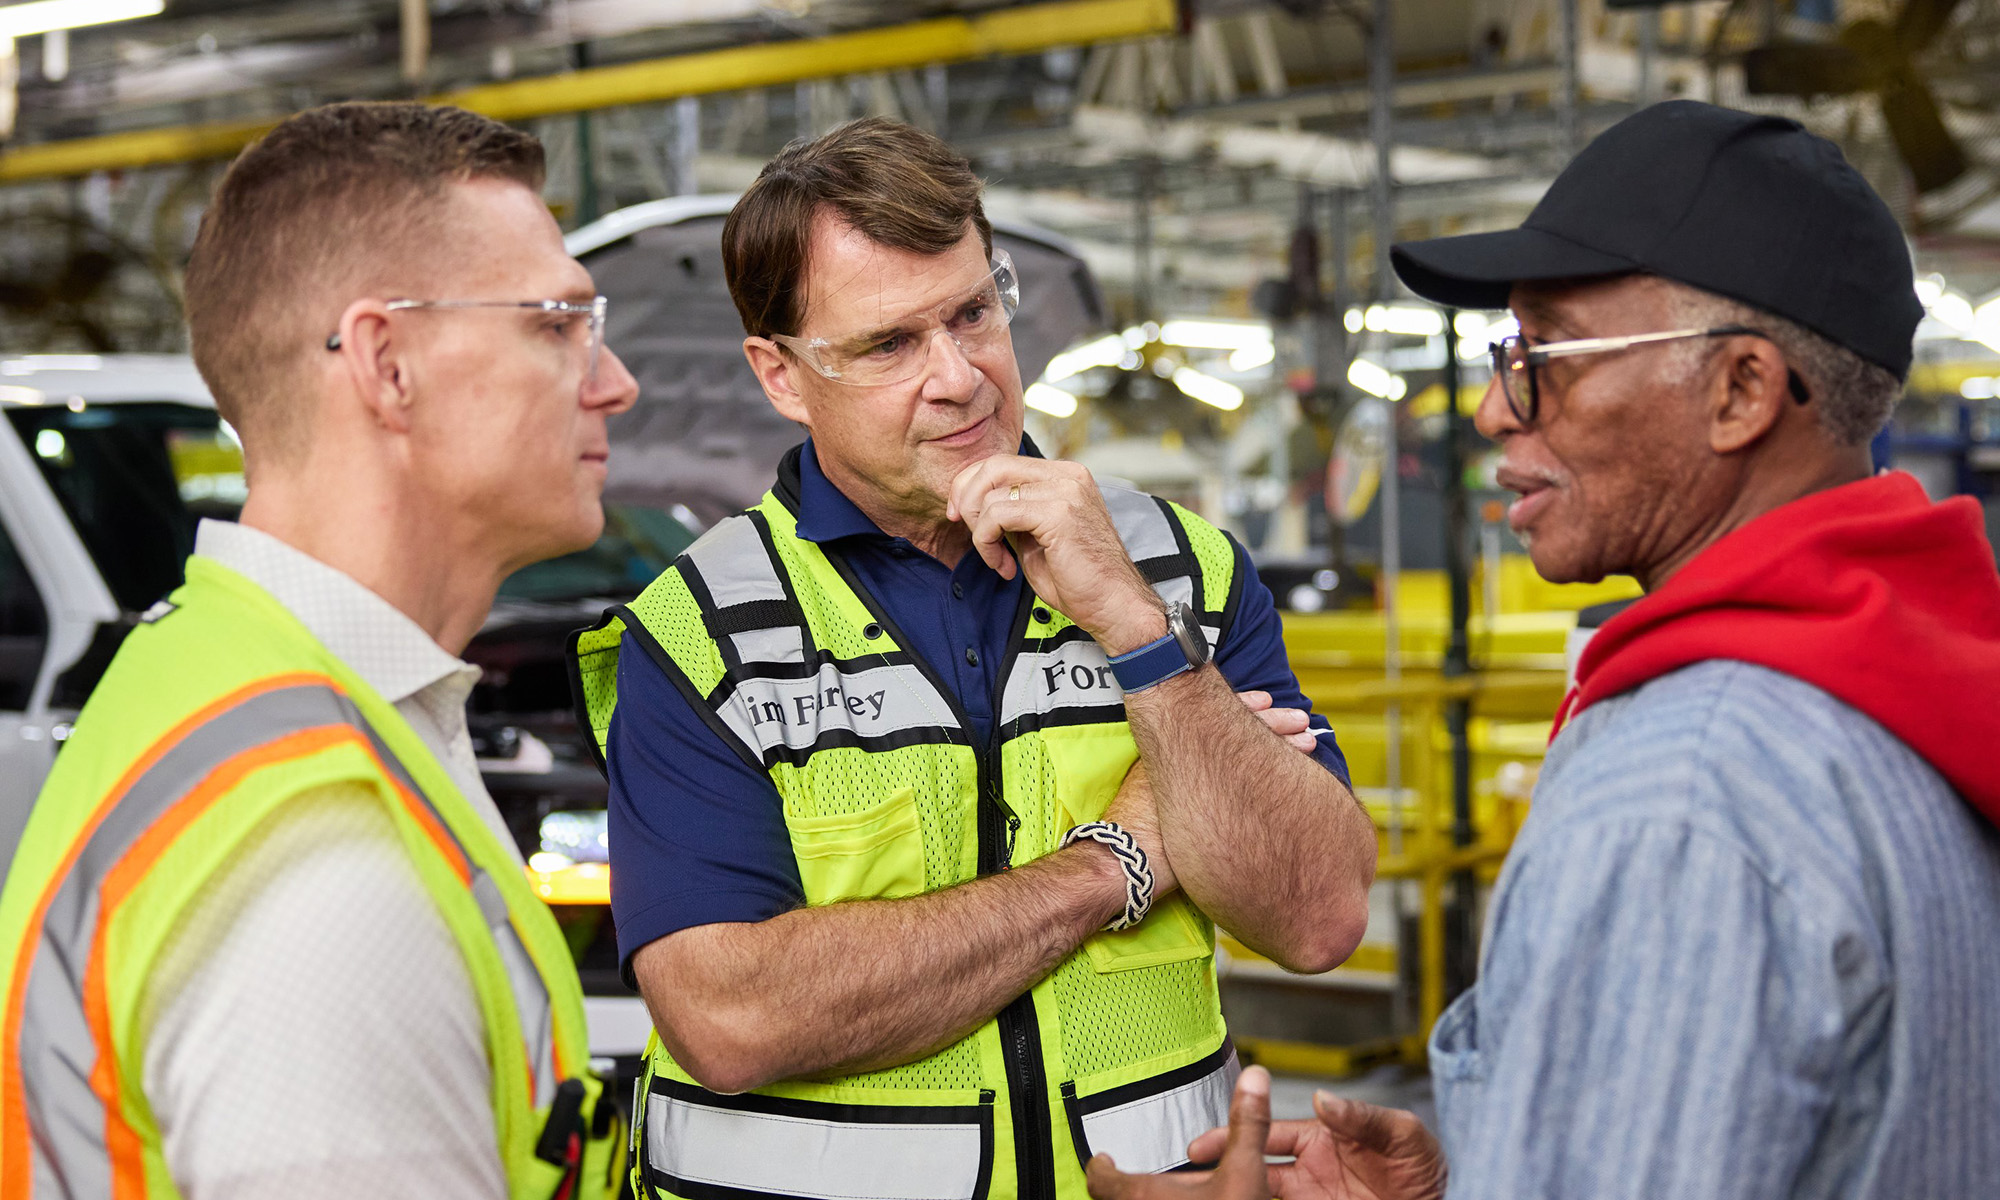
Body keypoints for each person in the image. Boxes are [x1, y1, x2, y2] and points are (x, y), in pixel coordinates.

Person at [1086, 100, 2000, 1200]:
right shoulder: (1908, 694)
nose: (1489, 409)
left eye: (1543, 356)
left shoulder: (1684, 795)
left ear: (1740, 392)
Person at [567, 116, 1379, 1200]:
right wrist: (1112, 863)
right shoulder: (699, 635)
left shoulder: (1185, 572)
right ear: (781, 376)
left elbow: (1319, 917)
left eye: (972, 314)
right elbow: (732, 1017)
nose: (960, 377)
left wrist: (1141, 632)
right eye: (889, 345)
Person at [0, 102, 640, 1200]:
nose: (614, 380)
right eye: (555, 324)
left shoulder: (220, 674)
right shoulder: (318, 864)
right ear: (386, 364)